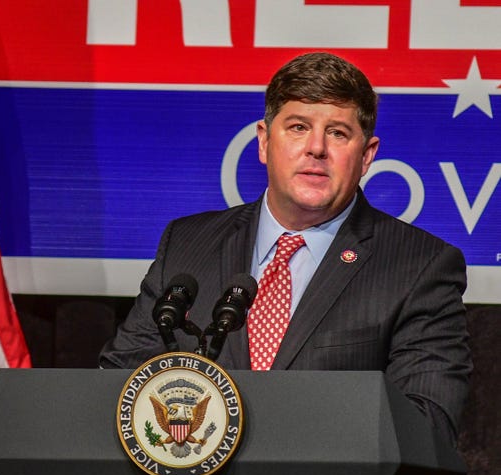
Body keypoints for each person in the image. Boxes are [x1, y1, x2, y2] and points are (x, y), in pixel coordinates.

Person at [100, 52, 471, 449]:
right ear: (263, 141)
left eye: (338, 133)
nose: (316, 148)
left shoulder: (420, 267)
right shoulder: (187, 244)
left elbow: (426, 425)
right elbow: (116, 386)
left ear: (367, 156)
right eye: (298, 127)